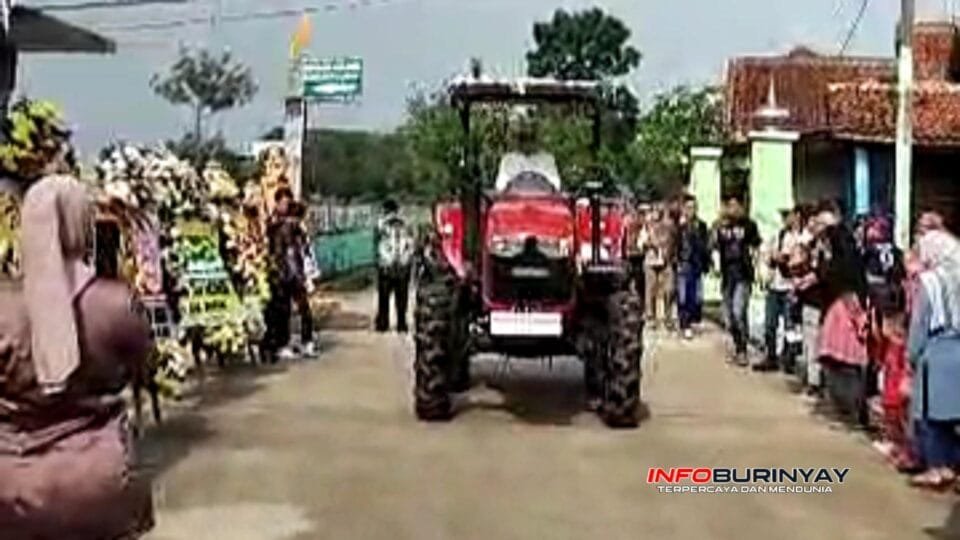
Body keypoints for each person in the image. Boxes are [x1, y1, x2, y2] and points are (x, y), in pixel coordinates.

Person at [0, 176, 154, 538]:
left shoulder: (4, 308)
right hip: (100, 486)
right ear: (82, 225)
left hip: (12, 491)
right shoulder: (118, 304)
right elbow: (145, 370)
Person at [907, 230, 960, 489]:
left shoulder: (929, 281)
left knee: (930, 415)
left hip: (937, 350)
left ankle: (938, 468)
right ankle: (953, 466)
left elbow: (920, 321)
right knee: (954, 414)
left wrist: (912, 353)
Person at [810, 206, 870, 426]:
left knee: (839, 363)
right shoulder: (852, 259)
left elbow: (829, 282)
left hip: (841, 314)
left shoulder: (837, 263)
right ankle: (853, 409)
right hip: (850, 313)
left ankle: (848, 409)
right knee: (850, 364)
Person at [264, 187, 315, 361]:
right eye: (283, 202)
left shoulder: (297, 225)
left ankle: (307, 342)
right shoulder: (272, 223)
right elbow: (271, 246)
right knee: (282, 311)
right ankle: (282, 344)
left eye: (288, 202)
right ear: (277, 203)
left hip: (297, 272)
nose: (286, 206)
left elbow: (305, 246)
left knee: (305, 309)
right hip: (280, 273)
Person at [759, 207, 811, 371]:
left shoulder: (805, 237)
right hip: (776, 284)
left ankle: (789, 359)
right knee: (770, 324)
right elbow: (766, 255)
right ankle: (771, 356)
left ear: (797, 216)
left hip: (793, 286)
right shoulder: (779, 235)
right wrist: (773, 258)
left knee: (791, 327)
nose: (784, 219)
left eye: (787, 215)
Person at [713, 196, 761, 366]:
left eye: (735, 205)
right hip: (727, 276)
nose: (732, 209)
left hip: (743, 275)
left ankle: (742, 350)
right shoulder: (721, 226)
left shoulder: (749, 225)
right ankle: (739, 344)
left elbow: (756, 248)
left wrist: (759, 272)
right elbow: (714, 246)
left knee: (738, 311)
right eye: (729, 205)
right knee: (729, 317)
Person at [375, 198, 415, 333]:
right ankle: (400, 324)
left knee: (384, 297)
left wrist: (385, 260)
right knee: (401, 297)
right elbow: (410, 244)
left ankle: (384, 324)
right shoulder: (405, 224)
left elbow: (378, 245)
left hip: (387, 265)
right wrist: (406, 259)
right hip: (401, 265)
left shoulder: (382, 224)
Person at [675, 195, 710, 339]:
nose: (691, 210)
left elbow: (705, 247)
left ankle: (691, 319)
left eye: (694, 207)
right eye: (688, 207)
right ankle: (685, 324)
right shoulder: (680, 227)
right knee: (683, 295)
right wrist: (675, 261)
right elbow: (675, 244)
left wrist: (706, 263)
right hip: (683, 263)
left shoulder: (701, 226)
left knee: (695, 296)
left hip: (697, 264)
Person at [641, 203, 678, 330]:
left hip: (666, 261)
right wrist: (650, 243)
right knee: (650, 290)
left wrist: (671, 254)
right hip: (651, 261)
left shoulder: (670, 226)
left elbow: (674, 241)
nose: (657, 213)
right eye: (655, 210)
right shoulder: (647, 225)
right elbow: (642, 243)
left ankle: (668, 317)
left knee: (669, 289)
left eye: (660, 211)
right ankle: (651, 317)